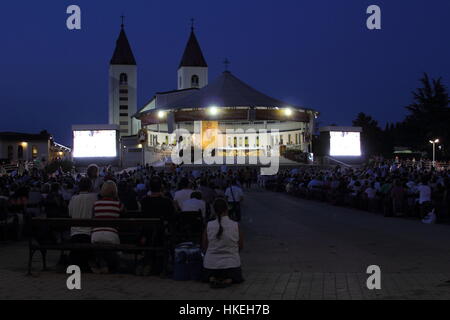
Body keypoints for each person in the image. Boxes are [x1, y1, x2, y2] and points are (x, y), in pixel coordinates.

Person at [202, 198, 244, 288]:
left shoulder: (209, 225)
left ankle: (212, 278)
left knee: (209, 274)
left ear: (214, 210)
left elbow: (205, 245)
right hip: (232, 264)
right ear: (227, 209)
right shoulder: (236, 225)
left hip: (210, 264)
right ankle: (228, 279)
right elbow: (240, 245)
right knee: (233, 275)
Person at [139, 176, 175, 276]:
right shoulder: (166, 201)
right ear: (161, 187)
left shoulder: (144, 200)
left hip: (147, 233)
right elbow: (172, 216)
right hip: (162, 233)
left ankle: (148, 263)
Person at [91, 180, 122, 273]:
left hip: (96, 235)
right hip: (112, 235)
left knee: (100, 243)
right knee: (108, 242)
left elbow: (92, 220)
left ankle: (102, 263)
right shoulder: (119, 204)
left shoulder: (95, 204)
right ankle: (107, 264)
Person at [68, 177, 97, 271]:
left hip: (74, 234)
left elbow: (70, 214)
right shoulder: (94, 198)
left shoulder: (73, 198)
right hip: (89, 234)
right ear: (90, 186)